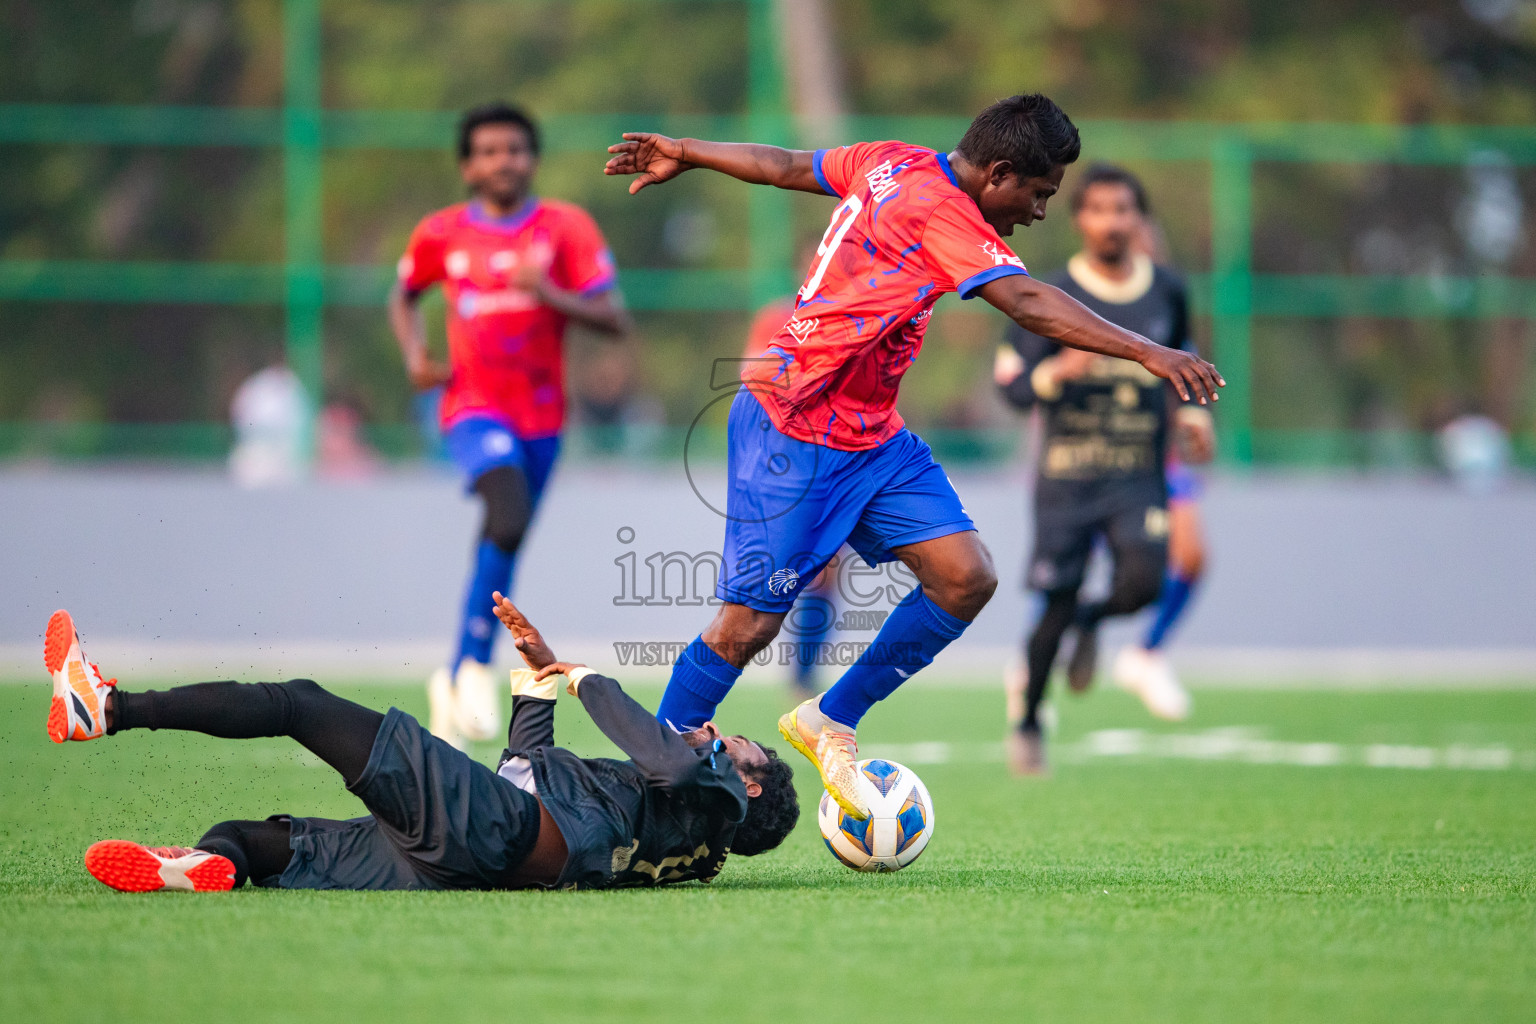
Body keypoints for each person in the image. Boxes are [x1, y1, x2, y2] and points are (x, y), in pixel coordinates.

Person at [603, 95, 1224, 818]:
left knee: (966, 577)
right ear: (998, 175)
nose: (1041, 211)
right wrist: (1149, 349)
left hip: (871, 435)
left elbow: (783, 166)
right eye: (1040, 193)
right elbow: (1024, 299)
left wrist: (688, 147)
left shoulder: (890, 159)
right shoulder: (942, 212)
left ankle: (828, 719)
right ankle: (651, 773)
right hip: (792, 430)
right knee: (748, 625)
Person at [43, 600, 797, 894]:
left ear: (751, 785)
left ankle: (105, 706)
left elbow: (665, 757)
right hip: (472, 855)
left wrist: (588, 679)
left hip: (498, 833)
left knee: (300, 703)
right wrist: (538, 680)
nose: (705, 732)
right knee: (257, 840)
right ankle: (203, 867)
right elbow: (530, 775)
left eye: (731, 743)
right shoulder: (685, 839)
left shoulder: (718, 801)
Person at [389, 102, 630, 748]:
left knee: (508, 533)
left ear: (533, 159)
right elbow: (404, 293)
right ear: (469, 165)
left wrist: (549, 292)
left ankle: (455, 668)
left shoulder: (565, 228)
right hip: (471, 408)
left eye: (516, 149)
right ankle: (472, 667)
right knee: (507, 508)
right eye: (490, 151)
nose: (505, 161)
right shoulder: (441, 233)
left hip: (544, 417)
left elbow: (615, 318)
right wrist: (415, 355)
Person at [994, 163, 1216, 776]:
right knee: (1053, 602)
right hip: (1066, 477)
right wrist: (1051, 375)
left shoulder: (1167, 290)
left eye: (1124, 210)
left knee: (1145, 582)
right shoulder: (1049, 290)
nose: (1112, 221)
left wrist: (1194, 417)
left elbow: (1182, 365)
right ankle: (1030, 718)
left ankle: (1094, 621)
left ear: (1138, 219)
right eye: (1099, 209)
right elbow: (1011, 390)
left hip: (1135, 473)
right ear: (1079, 219)